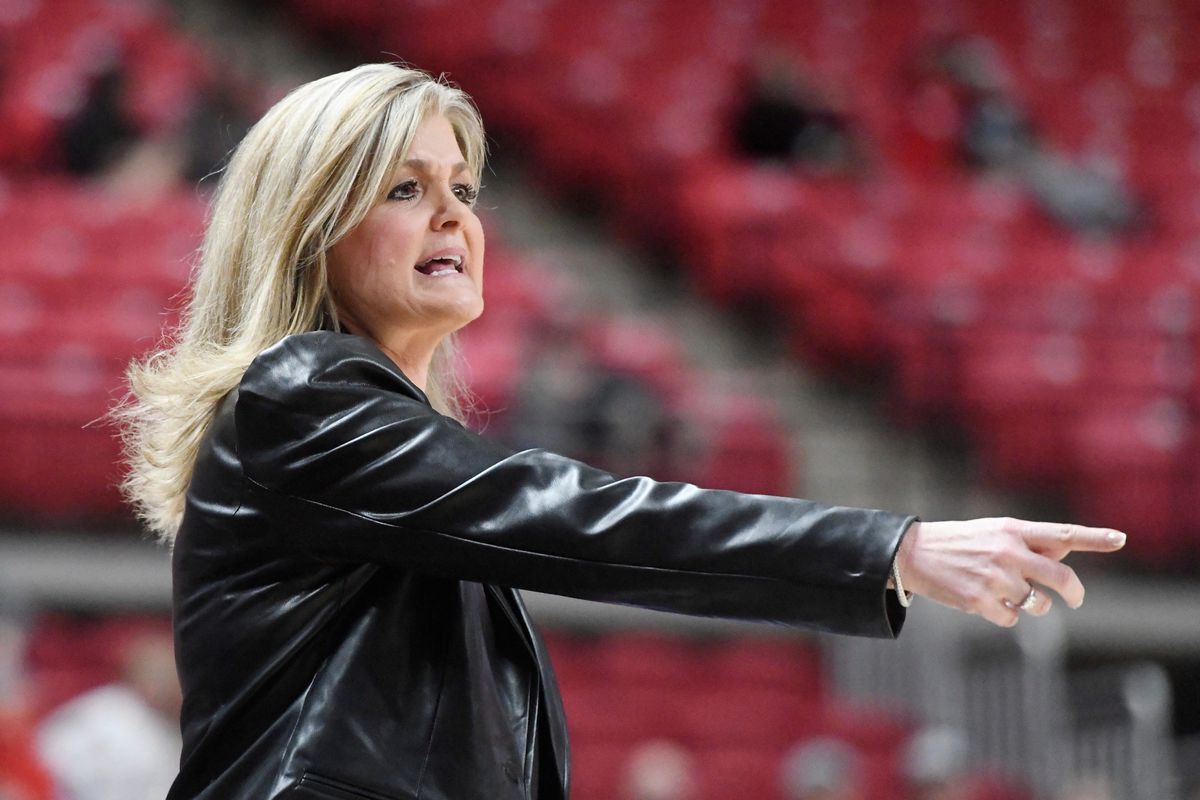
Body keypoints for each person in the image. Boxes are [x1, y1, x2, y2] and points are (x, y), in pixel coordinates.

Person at [115, 63, 1127, 800]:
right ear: (311, 223)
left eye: (462, 188)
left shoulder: (357, 430)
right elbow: (588, 518)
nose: (453, 217)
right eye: (406, 187)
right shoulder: (304, 395)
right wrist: (898, 547)